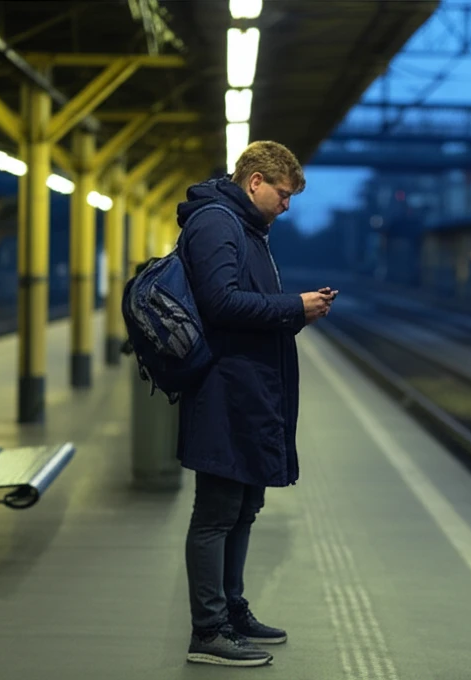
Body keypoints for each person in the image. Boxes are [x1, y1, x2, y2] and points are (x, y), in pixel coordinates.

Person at [174, 140, 336, 667]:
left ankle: (233, 611)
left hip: (249, 391)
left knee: (244, 507)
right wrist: (295, 307)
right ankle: (209, 631)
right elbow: (219, 302)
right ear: (256, 182)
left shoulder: (247, 229)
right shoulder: (217, 223)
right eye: (283, 195)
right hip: (224, 390)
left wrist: (294, 310)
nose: (287, 206)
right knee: (217, 511)